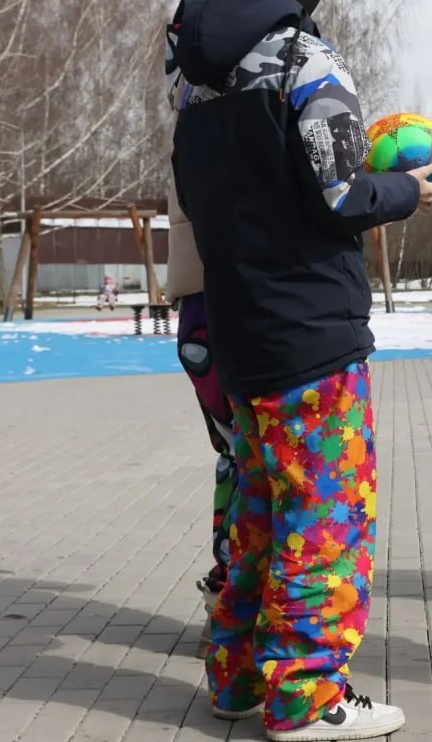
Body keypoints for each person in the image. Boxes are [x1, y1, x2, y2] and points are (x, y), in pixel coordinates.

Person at [167, 0, 432, 742]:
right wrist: (408, 191)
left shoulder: (189, 73)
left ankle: (237, 676)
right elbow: (341, 194)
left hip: (241, 330)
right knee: (327, 511)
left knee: (254, 506)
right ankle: (308, 695)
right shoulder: (304, 59)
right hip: (312, 332)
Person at [162, 173, 239, 660]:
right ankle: (232, 605)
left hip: (201, 307)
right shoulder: (248, 108)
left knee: (237, 455)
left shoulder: (192, 109)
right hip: (233, 303)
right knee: (254, 459)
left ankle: (225, 601)